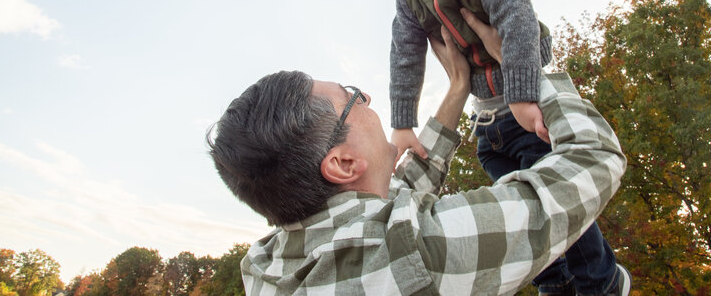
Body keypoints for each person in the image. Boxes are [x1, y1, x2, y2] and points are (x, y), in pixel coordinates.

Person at [208, 15, 631, 295]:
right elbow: (593, 159)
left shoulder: (265, 265)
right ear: (342, 163)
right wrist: (524, 64)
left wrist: (457, 88)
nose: (369, 100)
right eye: (354, 98)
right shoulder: (416, 252)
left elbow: (393, 195)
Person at [389, 0, 626, 295]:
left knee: (557, 195)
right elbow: (405, 54)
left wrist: (522, 95)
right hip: (488, 121)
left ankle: (601, 281)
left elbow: (517, 23)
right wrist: (403, 121)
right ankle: (553, 282)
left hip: (529, 100)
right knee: (518, 202)